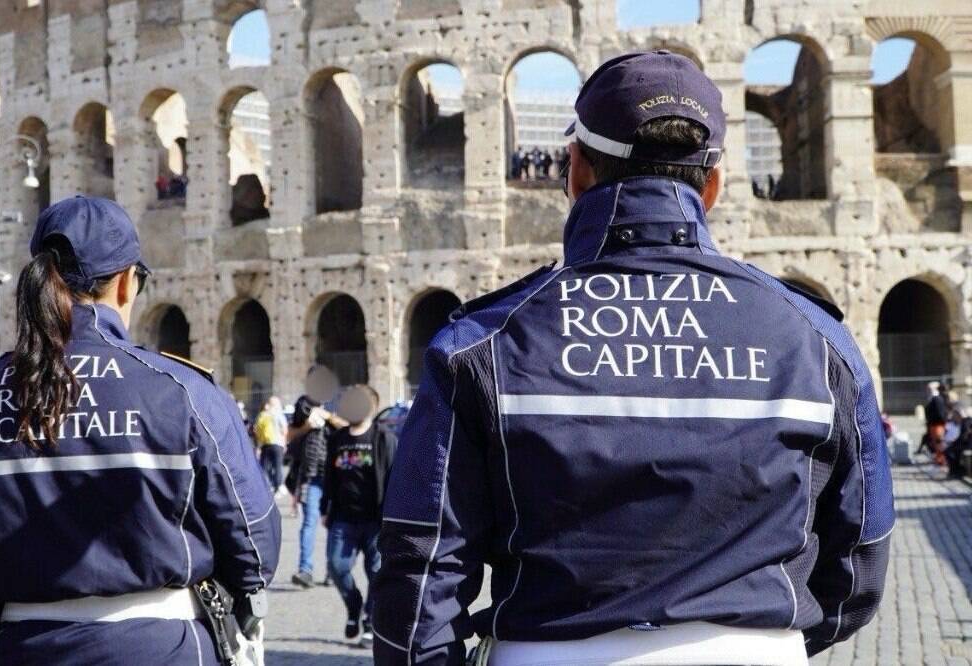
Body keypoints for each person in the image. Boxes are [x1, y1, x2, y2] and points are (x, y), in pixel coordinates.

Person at [373, 50, 893, 665]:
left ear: (575, 171)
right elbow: (859, 555)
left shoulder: (483, 343)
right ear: (715, 184)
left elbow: (421, 562)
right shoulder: (816, 338)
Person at [0, 196, 281, 663]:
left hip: (24, 647)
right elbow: (254, 545)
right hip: (164, 647)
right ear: (125, 283)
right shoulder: (184, 392)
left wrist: (22, 614)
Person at [321, 384, 396, 649]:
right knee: (337, 567)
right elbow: (328, 476)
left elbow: (394, 478)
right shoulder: (337, 438)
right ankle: (354, 606)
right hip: (343, 517)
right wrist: (324, 508)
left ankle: (370, 621)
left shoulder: (384, 438)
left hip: (375, 520)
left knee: (376, 573)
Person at [285, 366, 347, 589]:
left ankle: (333, 569)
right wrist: (307, 425)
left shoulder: (337, 402)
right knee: (309, 521)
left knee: (334, 524)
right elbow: (290, 434)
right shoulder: (303, 403)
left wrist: (328, 416)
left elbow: (350, 424)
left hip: (335, 473)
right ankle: (305, 569)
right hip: (310, 472)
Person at [254, 396, 287, 493]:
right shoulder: (279, 414)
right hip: (278, 444)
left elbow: (257, 430)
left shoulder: (262, 415)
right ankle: (278, 485)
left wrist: (259, 446)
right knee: (277, 465)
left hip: (265, 444)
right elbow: (284, 430)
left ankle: (265, 486)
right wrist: (284, 443)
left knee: (264, 466)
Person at [923, 381, 948, 462]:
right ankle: (938, 458)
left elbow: (940, 413)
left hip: (938, 424)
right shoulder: (932, 399)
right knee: (936, 443)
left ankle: (941, 459)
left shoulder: (937, 399)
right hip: (933, 424)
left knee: (939, 442)